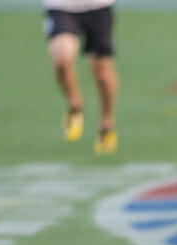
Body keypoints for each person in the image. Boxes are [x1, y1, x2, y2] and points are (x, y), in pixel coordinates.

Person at [43, 0, 119, 154]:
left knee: (102, 72)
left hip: (99, 7)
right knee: (61, 59)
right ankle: (75, 105)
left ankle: (107, 122)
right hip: (62, 7)